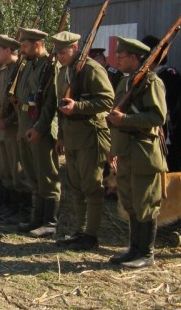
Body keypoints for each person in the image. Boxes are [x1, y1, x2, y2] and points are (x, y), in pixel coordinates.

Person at [106, 37, 168, 269]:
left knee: (146, 203)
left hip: (143, 151)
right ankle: (134, 248)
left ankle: (146, 252)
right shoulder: (126, 82)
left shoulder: (152, 82)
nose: (117, 60)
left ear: (134, 57)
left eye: (121, 57)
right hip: (126, 151)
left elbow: (157, 117)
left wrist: (126, 120)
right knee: (131, 202)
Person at [52, 32, 114, 251]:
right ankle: (79, 230)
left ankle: (92, 235)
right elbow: (60, 106)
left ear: (75, 47)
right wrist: (60, 136)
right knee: (76, 186)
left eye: (63, 52)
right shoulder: (62, 73)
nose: (60, 56)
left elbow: (108, 100)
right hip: (71, 136)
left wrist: (78, 107)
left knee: (92, 187)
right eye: (57, 53)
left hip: (91, 136)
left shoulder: (92, 69)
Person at [15, 28, 60, 237]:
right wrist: (21, 128)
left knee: (46, 175)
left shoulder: (50, 67)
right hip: (26, 124)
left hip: (40, 127)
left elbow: (50, 103)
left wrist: (40, 128)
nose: (22, 51)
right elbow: (23, 98)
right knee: (33, 174)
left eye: (25, 46)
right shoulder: (29, 66)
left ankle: (49, 221)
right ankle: (37, 217)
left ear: (37, 44)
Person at [0, 34, 29, 221]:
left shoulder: (20, 70)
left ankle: (23, 210)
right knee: (5, 169)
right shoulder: (2, 70)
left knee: (17, 170)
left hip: (14, 126)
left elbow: (20, 104)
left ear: (8, 50)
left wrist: (8, 122)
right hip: (3, 124)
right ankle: (10, 205)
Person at [141, 35, 181, 172]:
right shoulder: (144, 77)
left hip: (167, 133)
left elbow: (165, 104)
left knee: (170, 172)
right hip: (150, 132)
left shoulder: (169, 75)